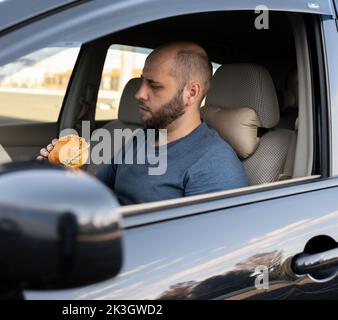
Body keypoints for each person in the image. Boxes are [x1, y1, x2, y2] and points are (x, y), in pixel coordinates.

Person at [38, 41, 249, 205]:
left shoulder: (214, 165)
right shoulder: (142, 137)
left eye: (154, 86)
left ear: (191, 93)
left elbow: (204, 248)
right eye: (142, 82)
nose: (139, 93)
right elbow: (102, 189)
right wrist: (68, 175)